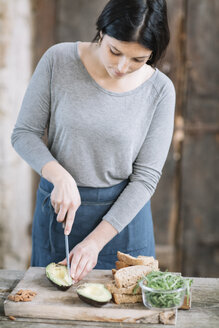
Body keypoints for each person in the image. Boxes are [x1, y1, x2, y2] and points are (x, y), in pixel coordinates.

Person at [11, 0, 175, 283]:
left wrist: (95, 241)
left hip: (123, 220)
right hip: (61, 213)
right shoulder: (58, 60)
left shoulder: (160, 91)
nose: (123, 67)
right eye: (115, 51)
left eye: (138, 60)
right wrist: (60, 177)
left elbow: (146, 178)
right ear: (102, 31)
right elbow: (24, 134)